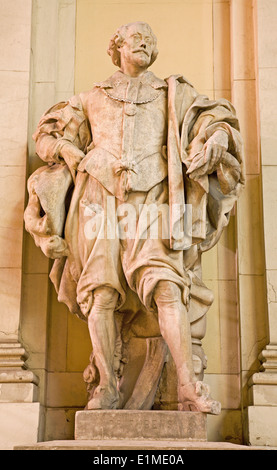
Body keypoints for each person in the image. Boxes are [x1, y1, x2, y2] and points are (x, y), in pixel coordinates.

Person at [25, 21, 244, 413]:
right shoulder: (91, 98)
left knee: (166, 287)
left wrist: (218, 137)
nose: (143, 44)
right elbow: (46, 136)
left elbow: (210, 120)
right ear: (118, 47)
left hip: (153, 200)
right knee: (100, 293)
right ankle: (107, 387)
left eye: (150, 40)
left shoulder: (172, 94)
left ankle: (188, 387)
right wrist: (71, 152)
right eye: (135, 39)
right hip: (98, 201)